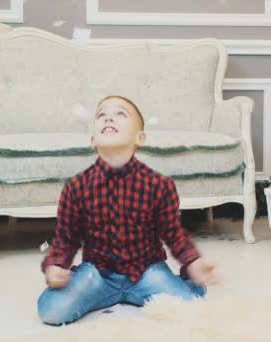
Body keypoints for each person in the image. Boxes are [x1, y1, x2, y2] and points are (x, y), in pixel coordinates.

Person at [37, 95, 218, 325]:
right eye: (102, 115)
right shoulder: (76, 187)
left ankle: (185, 281)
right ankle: (98, 292)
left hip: (146, 272)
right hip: (98, 274)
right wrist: (55, 266)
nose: (108, 117)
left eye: (120, 113)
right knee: (50, 311)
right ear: (93, 139)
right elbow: (66, 238)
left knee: (191, 304)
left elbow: (174, 234)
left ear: (140, 137)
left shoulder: (160, 185)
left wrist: (193, 263)